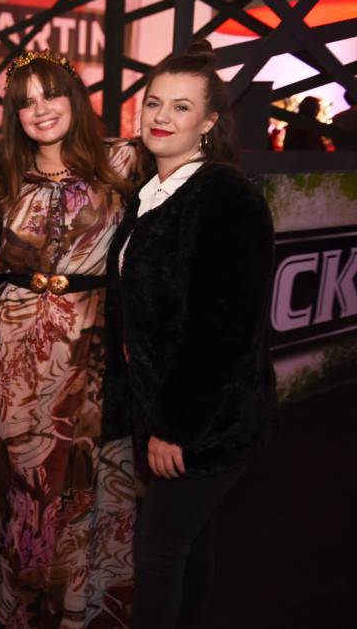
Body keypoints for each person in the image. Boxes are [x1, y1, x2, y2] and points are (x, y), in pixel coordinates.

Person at [0, 50, 139, 628]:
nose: (40, 110)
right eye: (26, 102)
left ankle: (66, 605)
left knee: (70, 479)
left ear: (74, 98)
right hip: (10, 346)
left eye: (51, 94)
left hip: (85, 347)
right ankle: (9, 602)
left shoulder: (121, 161)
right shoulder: (1, 173)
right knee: (12, 477)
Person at [103, 40, 278, 629]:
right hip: (170, 412)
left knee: (159, 547)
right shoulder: (151, 192)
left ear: (208, 122)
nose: (161, 117)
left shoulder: (224, 196)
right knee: (190, 541)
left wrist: (175, 427)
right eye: (154, 102)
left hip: (209, 422)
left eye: (181, 107)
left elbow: (223, 331)